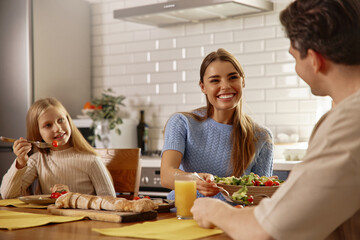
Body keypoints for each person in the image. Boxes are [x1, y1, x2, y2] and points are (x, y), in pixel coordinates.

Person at [190, 0, 360, 239]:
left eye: (294, 58)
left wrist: (215, 211)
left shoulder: (348, 123)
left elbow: (269, 229)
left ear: (314, 59)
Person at [160, 48, 274, 202]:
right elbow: (166, 176)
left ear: (243, 81)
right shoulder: (182, 123)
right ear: (203, 87)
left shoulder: (261, 136)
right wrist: (194, 179)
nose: (226, 86)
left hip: (232, 219)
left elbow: (260, 198)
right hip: (183, 214)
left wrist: (270, 188)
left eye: (233, 77)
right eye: (215, 80)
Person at [0, 98, 116, 199]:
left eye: (61, 120)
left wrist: (72, 197)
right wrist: (20, 162)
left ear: (69, 121)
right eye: (48, 125)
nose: (58, 128)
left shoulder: (91, 160)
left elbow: (109, 200)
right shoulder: (38, 160)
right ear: (38, 133)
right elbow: (7, 195)